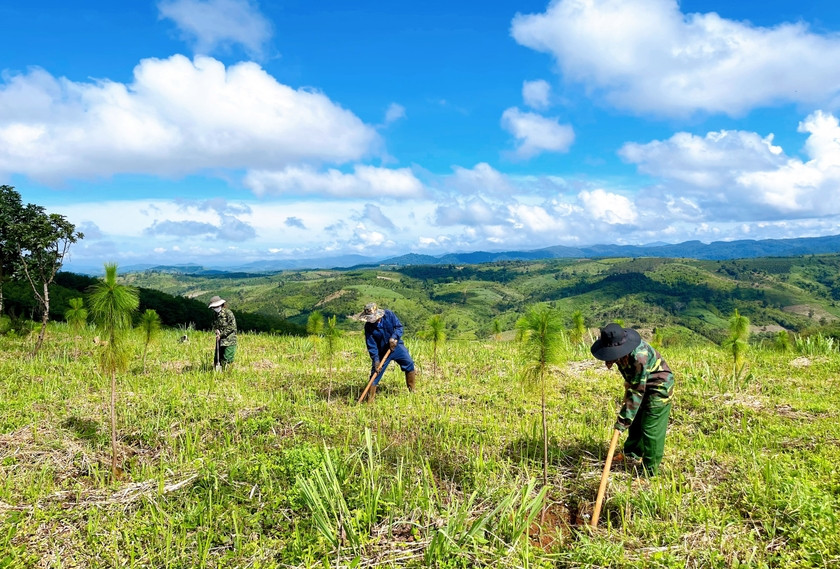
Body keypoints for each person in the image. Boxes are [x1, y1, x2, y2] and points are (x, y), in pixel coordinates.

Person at [590, 323, 674, 477]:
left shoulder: (638, 357)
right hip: (639, 383)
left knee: (650, 429)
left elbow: (637, 391)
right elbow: (633, 382)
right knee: (635, 422)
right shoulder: (621, 354)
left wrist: (622, 422)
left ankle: (649, 472)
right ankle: (631, 454)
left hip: (658, 386)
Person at [353, 302, 416, 401]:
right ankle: (370, 401)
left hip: (396, 346)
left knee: (409, 363)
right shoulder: (368, 327)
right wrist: (376, 360)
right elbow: (371, 345)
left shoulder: (389, 315)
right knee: (375, 373)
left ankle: (412, 391)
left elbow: (399, 327)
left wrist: (394, 338)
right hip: (381, 351)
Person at [208, 295, 237, 370]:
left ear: (220, 305)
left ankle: (228, 375)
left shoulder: (228, 313)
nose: (214, 308)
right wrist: (216, 330)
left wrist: (221, 334)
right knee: (217, 358)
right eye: (213, 307)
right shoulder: (215, 315)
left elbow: (232, 327)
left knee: (227, 359)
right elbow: (214, 324)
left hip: (229, 340)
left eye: (216, 306)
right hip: (220, 340)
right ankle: (217, 374)